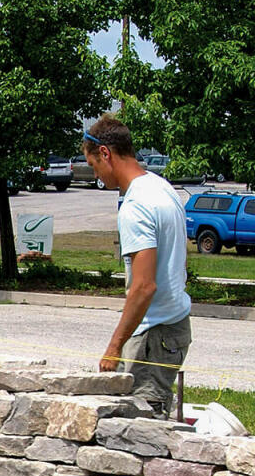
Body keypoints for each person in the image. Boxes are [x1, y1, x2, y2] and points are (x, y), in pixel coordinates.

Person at [82, 115, 192, 417]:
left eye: (94, 166)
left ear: (105, 153)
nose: (97, 176)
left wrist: (114, 347)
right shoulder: (161, 187)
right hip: (174, 324)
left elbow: (144, 286)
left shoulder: (135, 206)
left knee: (144, 427)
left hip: (155, 333)